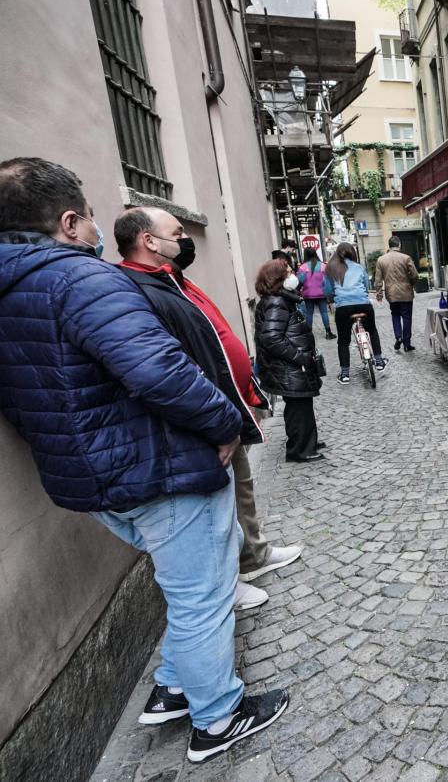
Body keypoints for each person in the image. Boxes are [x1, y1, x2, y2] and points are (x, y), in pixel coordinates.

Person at [0, 158, 287, 761]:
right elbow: (159, 369)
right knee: (202, 596)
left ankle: (173, 690)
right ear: (70, 221)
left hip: (90, 478)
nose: (96, 232)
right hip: (157, 468)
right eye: (91, 219)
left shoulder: (14, 291)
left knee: (181, 587)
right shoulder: (81, 279)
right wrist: (225, 420)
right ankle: (218, 718)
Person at [114, 206, 304, 612]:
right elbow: (168, 367)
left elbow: (216, 342)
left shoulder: (173, 279)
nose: (185, 239)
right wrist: (213, 418)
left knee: (241, 486)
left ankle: (253, 554)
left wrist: (245, 396)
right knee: (214, 507)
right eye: (177, 231)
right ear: (149, 241)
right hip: (202, 418)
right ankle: (227, 582)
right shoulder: (137, 288)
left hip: (223, 407)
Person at [254, 259, 324, 463]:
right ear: (278, 278)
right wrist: (299, 357)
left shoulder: (280, 299)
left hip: (290, 366)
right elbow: (271, 338)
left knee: (302, 405)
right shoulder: (276, 302)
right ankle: (299, 450)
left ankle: (307, 442)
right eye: (288, 272)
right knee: (298, 407)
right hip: (288, 367)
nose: (293, 275)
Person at [324, 242, 387, 384]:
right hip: (363, 305)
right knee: (372, 330)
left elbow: (328, 290)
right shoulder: (359, 267)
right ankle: (379, 361)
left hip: (343, 308)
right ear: (353, 253)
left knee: (343, 341)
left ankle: (345, 374)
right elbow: (366, 285)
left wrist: (333, 298)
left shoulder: (331, 268)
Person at [374, 236, 419, 352]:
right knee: (407, 317)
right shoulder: (406, 258)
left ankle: (398, 337)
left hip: (391, 293)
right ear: (399, 245)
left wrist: (379, 295)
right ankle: (407, 343)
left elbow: (378, 280)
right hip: (406, 293)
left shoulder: (381, 260)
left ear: (389, 245)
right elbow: (415, 275)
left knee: (395, 315)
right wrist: (411, 284)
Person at [296, 247, 334, 340]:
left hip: (308, 294)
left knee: (309, 313)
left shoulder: (303, 267)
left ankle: (309, 334)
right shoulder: (323, 266)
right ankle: (328, 332)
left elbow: (299, 281)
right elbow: (329, 280)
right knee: (324, 312)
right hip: (322, 293)